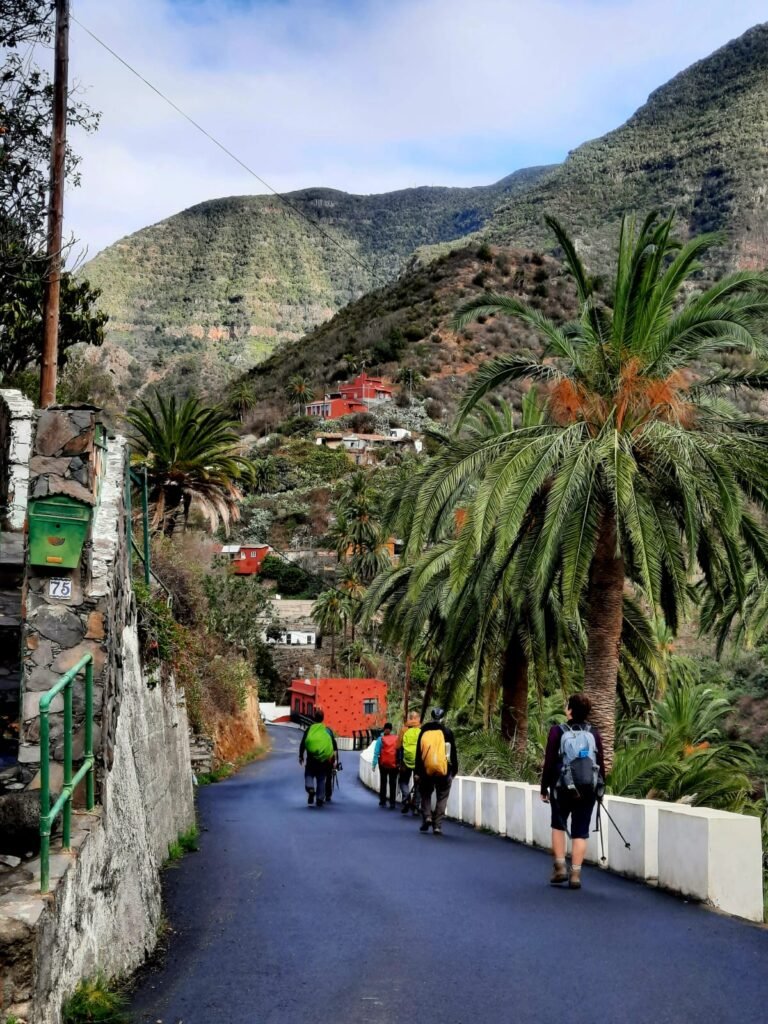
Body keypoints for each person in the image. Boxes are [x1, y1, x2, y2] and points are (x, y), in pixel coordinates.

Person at [540, 692, 606, 889]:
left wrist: (544, 787)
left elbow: (549, 762)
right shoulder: (593, 733)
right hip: (588, 788)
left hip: (562, 787)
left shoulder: (557, 731)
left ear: (569, 710)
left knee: (558, 825)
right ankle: (575, 874)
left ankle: (560, 868)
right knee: (581, 831)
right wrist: (600, 788)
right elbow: (600, 763)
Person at [415, 707, 458, 836]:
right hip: (444, 771)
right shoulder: (447, 732)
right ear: (442, 718)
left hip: (426, 770)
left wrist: (417, 771)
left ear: (431, 717)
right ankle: (437, 826)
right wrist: (454, 770)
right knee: (442, 796)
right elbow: (453, 753)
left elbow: (419, 753)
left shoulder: (423, 731)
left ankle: (427, 816)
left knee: (425, 793)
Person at [299, 709, 338, 807]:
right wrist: (334, 760)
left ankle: (310, 788)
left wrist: (301, 755)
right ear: (323, 718)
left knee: (309, 774)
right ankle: (320, 798)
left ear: (314, 718)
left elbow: (303, 743)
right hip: (324, 760)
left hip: (311, 759)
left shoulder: (310, 729)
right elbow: (333, 746)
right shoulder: (327, 730)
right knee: (321, 778)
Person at [397, 712, 421, 815]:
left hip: (405, 761)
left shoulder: (404, 729)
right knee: (418, 784)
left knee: (403, 781)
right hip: (418, 762)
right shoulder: (421, 730)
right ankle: (416, 807)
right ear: (418, 719)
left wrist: (399, 761)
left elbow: (398, 746)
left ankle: (406, 798)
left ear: (409, 719)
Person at [372, 722, 399, 808]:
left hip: (383, 764)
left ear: (384, 729)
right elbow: (399, 751)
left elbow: (376, 752)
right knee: (393, 783)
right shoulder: (396, 738)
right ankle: (392, 802)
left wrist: (374, 764)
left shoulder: (380, 739)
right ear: (391, 729)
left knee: (383, 782)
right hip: (393, 764)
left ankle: (382, 800)